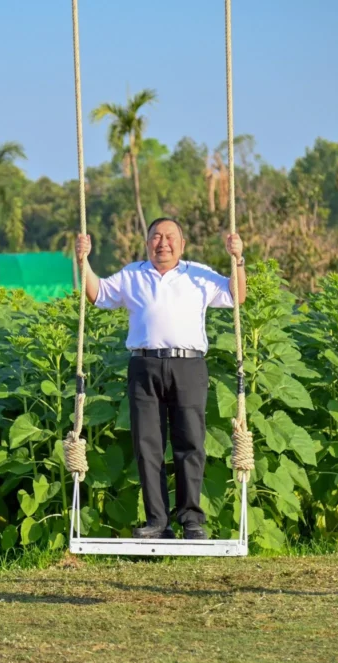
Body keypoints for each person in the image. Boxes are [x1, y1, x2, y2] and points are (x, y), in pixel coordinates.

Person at [75, 218, 245, 540]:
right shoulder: (132, 274)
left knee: (190, 442)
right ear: (147, 243)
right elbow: (97, 294)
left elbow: (236, 295)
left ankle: (191, 520)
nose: (162, 243)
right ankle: (157, 521)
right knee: (147, 444)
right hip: (144, 366)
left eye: (169, 237)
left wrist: (238, 259)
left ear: (182, 244)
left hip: (188, 366)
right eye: (156, 237)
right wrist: (83, 260)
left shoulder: (198, 274)